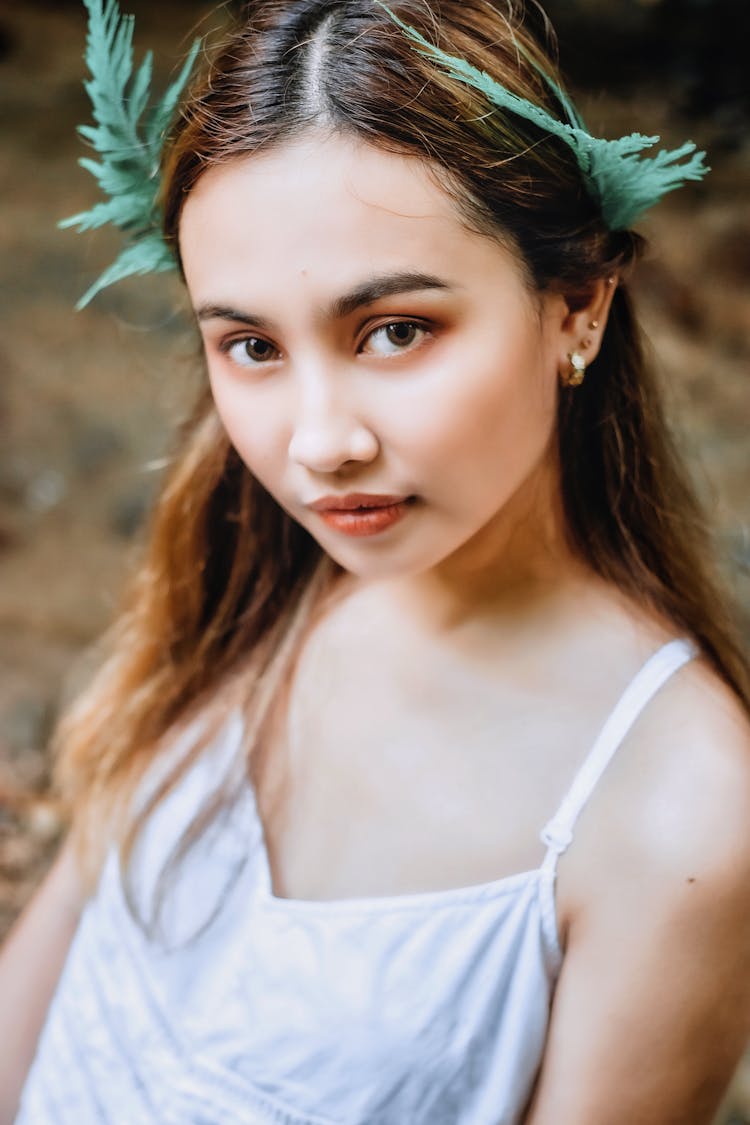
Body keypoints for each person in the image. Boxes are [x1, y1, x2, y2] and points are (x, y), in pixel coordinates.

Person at [2, 0, 750, 1121]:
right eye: (250, 346)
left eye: (395, 330)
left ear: (577, 307)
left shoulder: (677, 815)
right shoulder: (242, 576)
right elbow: (50, 988)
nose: (318, 444)